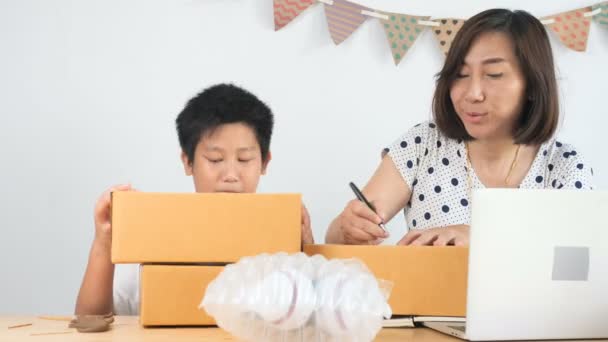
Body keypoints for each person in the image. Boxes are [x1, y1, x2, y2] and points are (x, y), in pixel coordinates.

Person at [326, 9, 593, 247]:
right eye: (460, 75)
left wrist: (478, 238)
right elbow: (337, 237)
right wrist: (347, 229)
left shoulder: (565, 167)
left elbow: (581, 264)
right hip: (425, 302)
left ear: (533, 86)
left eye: (494, 75)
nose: (472, 93)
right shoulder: (422, 144)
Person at [75, 84, 314, 315]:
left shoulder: (283, 235)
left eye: (244, 160)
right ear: (188, 162)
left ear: (264, 162)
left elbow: (318, 319)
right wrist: (104, 243)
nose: (230, 175)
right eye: (215, 159)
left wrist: (309, 253)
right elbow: (89, 321)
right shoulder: (155, 235)